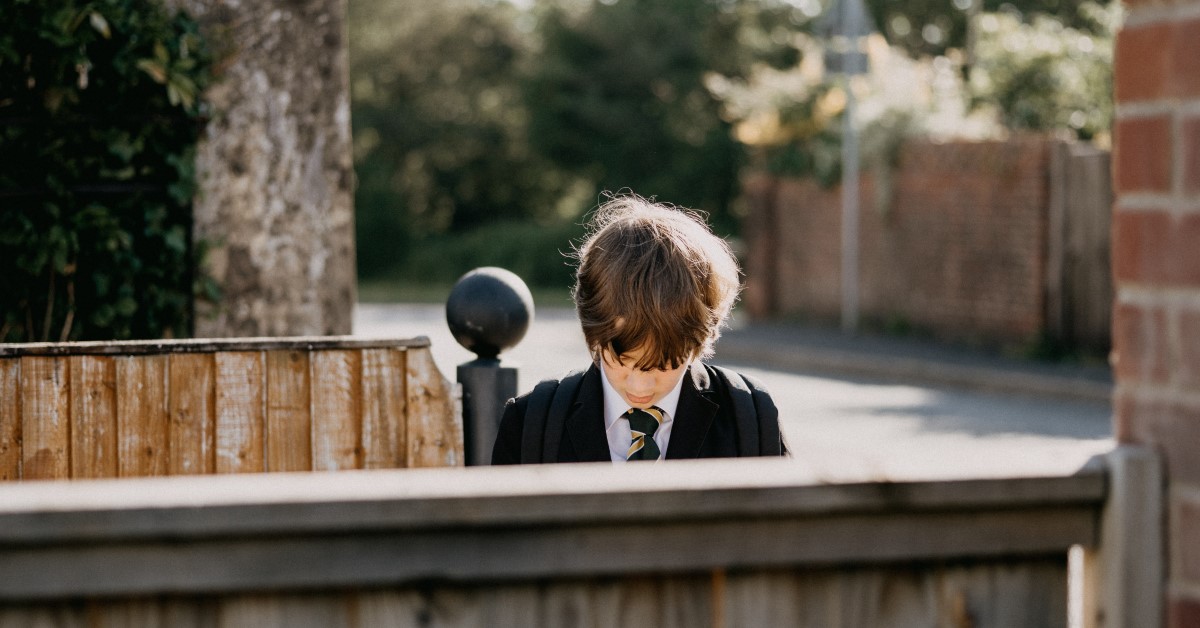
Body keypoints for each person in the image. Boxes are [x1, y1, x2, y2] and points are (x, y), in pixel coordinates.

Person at [491, 193, 787, 464]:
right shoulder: (533, 422)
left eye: (663, 365)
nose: (639, 387)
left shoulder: (749, 415)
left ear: (703, 334)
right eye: (621, 361)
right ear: (592, 330)